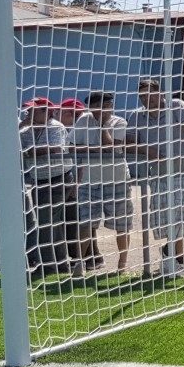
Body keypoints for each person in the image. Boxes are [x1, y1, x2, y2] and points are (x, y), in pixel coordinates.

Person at [125, 77, 184, 274]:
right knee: (162, 218)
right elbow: (130, 141)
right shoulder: (136, 116)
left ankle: (175, 259)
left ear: (159, 93)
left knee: (180, 215)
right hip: (158, 173)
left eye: (150, 95)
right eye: (142, 96)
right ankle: (173, 257)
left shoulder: (177, 106)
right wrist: (147, 150)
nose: (146, 99)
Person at [70, 91, 134, 273]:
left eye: (108, 106)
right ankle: (79, 263)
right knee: (86, 223)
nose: (105, 109)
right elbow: (73, 147)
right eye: (100, 107)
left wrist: (103, 126)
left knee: (122, 224)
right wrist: (95, 150)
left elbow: (112, 148)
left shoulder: (119, 122)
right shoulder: (83, 121)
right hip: (90, 181)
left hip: (117, 180)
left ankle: (122, 264)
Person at [20, 98, 77, 278]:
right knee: (52, 224)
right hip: (41, 179)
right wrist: (22, 126)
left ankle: (48, 266)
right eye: (28, 111)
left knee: (45, 223)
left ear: (47, 111)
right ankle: (60, 264)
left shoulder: (56, 126)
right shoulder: (25, 129)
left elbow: (53, 149)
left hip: (59, 178)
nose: (28, 114)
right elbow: (15, 145)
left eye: (33, 111)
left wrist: (31, 151)